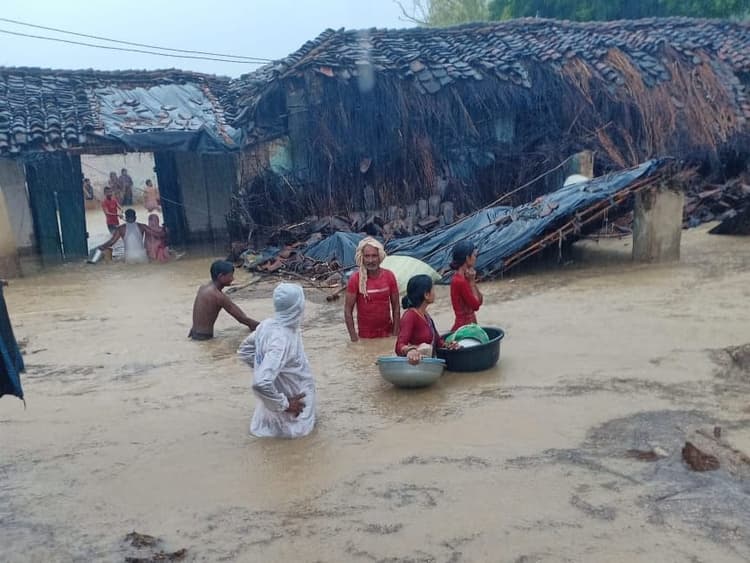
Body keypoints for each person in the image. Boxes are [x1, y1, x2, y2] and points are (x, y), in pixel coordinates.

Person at [248, 283, 315, 438]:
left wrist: (268, 369)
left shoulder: (267, 326)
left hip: (272, 413)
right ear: (297, 307)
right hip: (293, 418)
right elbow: (261, 382)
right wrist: (285, 404)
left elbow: (246, 350)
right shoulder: (282, 339)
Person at [344, 237, 400, 342]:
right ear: (362, 257)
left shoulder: (389, 276)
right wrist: (354, 340)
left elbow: (396, 307)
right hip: (365, 338)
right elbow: (348, 311)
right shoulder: (355, 279)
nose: (370, 260)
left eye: (374, 256)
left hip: (387, 335)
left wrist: (395, 335)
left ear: (379, 257)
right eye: (367, 256)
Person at [189, 260, 260, 340]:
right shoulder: (218, 296)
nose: (232, 279)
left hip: (193, 334)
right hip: (204, 338)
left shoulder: (203, 288)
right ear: (221, 277)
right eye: (230, 276)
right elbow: (242, 318)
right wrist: (261, 326)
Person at [395, 274, 456, 365]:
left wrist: (449, 345)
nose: (434, 293)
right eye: (433, 289)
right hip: (416, 367)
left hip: (428, 365)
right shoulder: (410, 316)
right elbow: (399, 346)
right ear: (426, 295)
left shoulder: (426, 316)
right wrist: (410, 351)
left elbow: (438, 342)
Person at [449, 241, 483, 332]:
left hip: (469, 325)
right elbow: (476, 306)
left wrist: (472, 281)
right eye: (474, 255)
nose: (475, 258)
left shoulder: (465, 277)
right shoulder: (459, 281)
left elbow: (479, 301)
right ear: (467, 258)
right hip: (464, 327)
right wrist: (472, 282)